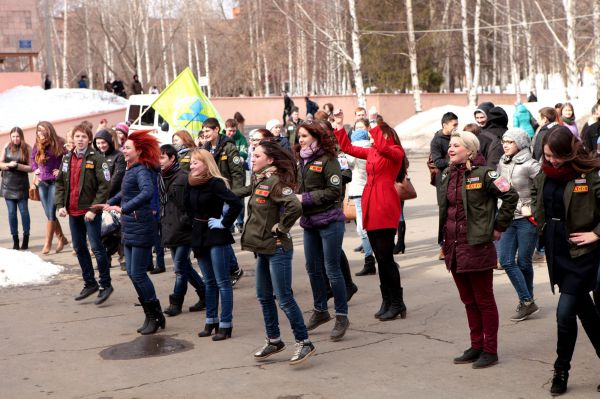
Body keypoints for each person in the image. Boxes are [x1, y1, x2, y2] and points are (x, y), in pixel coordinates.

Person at [530, 126, 600, 395]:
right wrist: (539, 224)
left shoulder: (590, 175)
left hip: (582, 253)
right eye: (547, 156)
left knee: (564, 314)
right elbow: (538, 198)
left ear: (569, 152)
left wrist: (595, 234)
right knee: (587, 312)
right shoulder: (544, 174)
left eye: (555, 156)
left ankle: (561, 370)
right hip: (556, 249)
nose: (551, 161)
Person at [440, 131, 518, 369]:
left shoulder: (486, 174)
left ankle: (490, 350)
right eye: (450, 145)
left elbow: (510, 195)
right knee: (468, 300)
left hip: (477, 246)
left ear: (470, 150)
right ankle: (476, 346)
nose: (450, 149)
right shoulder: (446, 174)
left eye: (456, 146)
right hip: (453, 246)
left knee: (484, 300)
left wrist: (498, 227)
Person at [233, 140, 315, 364]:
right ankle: (274, 340)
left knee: (284, 298)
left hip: (278, 249)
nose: (253, 158)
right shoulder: (261, 181)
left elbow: (295, 206)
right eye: (253, 155)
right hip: (263, 249)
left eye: (257, 156)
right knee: (263, 296)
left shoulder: (276, 183)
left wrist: (282, 226)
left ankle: (304, 342)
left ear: (270, 160)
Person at [334, 111, 409, 321]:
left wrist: (374, 125)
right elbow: (348, 148)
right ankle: (387, 300)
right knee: (380, 258)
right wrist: (339, 126)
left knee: (386, 258)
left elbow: (385, 148)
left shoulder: (394, 151)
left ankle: (397, 302)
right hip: (370, 203)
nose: (374, 138)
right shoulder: (374, 152)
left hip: (384, 204)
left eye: (378, 135)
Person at [102, 130, 165, 334]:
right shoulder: (132, 168)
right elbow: (127, 192)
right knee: (131, 272)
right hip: (130, 225)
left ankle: (156, 315)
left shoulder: (143, 170)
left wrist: (125, 208)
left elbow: (147, 193)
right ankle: (150, 315)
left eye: (127, 147)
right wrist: (111, 202)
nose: (124, 150)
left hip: (141, 225)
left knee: (138, 273)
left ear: (139, 150)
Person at [296, 121, 350, 341]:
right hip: (309, 222)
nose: (300, 140)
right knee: (312, 267)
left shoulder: (329, 160)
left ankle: (341, 316)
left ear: (316, 137)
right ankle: (320, 311)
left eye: (304, 136)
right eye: (299, 136)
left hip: (330, 221)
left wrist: (305, 198)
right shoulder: (302, 160)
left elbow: (334, 191)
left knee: (332, 269)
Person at [187, 149, 242, 341]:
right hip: (199, 236)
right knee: (208, 282)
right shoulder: (192, 183)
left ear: (206, 163)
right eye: (191, 162)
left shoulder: (215, 183)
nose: (191, 165)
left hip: (216, 235)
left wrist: (224, 222)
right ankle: (211, 321)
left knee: (222, 282)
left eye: (196, 162)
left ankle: (226, 325)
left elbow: (236, 203)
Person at [55, 123, 113, 304]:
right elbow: (60, 184)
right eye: (77, 136)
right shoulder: (66, 158)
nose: (80, 140)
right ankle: (90, 283)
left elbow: (105, 186)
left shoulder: (97, 158)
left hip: (89, 213)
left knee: (96, 247)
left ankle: (105, 284)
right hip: (73, 211)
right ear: (73, 138)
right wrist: (60, 205)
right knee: (79, 248)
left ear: (89, 140)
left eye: (84, 137)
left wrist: (93, 209)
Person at [496, 128, 541, 321]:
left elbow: (542, 192)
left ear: (520, 143)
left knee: (523, 262)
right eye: (504, 141)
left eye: (510, 141)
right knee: (506, 260)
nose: (505, 145)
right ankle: (528, 300)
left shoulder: (532, 165)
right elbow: (499, 186)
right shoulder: (501, 162)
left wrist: (530, 207)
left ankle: (526, 303)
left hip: (527, 220)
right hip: (507, 218)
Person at [158, 144, 206, 316]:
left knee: (179, 268)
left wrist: (188, 219)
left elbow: (194, 202)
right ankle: (204, 293)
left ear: (172, 158)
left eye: (162, 157)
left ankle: (176, 302)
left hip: (184, 229)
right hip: (169, 228)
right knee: (184, 266)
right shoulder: (160, 177)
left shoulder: (184, 177)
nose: (159, 161)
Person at [202, 118, 245, 284]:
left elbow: (237, 174)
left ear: (216, 130)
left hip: (226, 195)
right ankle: (232, 268)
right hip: (212, 196)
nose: (205, 134)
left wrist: (234, 196)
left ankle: (232, 269)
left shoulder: (229, 146)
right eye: (203, 131)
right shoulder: (205, 148)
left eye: (208, 131)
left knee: (222, 232)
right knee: (219, 233)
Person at [31, 121, 69, 254]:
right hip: (42, 183)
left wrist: (61, 171)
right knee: (48, 213)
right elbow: (32, 159)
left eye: (42, 130)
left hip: (55, 183)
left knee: (51, 213)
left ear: (49, 130)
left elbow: (68, 159)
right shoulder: (37, 144)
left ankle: (47, 243)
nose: (40, 133)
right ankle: (62, 238)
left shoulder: (59, 142)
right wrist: (35, 169)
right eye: (38, 130)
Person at [345, 118, 376, 276]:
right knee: (373, 224)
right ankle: (375, 256)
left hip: (358, 191)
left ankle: (369, 258)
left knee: (362, 227)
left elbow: (346, 166)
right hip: (371, 191)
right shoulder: (372, 149)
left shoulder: (353, 151)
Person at [431, 112, 458, 260]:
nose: (456, 127)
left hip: (457, 179)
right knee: (445, 213)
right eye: (453, 125)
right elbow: (438, 162)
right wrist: (452, 159)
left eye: (457, 124)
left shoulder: (458, 137)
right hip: (443, 182)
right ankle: (443, 245)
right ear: (444, 125)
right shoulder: (437, 140)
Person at [1, 127, 32, 250]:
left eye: (17, 136)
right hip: (8, 185)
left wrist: (18, 166)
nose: (15, 139)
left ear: (21, 136)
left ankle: (26, 238)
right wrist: (8, 165)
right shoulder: (6, 147)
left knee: (24, 212)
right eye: (13, 136)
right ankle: (15, 240)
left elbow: (31, 167)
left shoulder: (27, 148)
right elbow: (0, 163)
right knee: (11, 213)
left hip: (22, 185)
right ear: (10, 136)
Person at [93, 129, 126, 198]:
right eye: (98, 143)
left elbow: (116, 180)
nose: (101, 145)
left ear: (109, 141)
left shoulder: (119, 156)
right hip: (95, 195)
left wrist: (101, 195)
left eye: (103, 142)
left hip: (111, 197)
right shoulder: (95, 155)